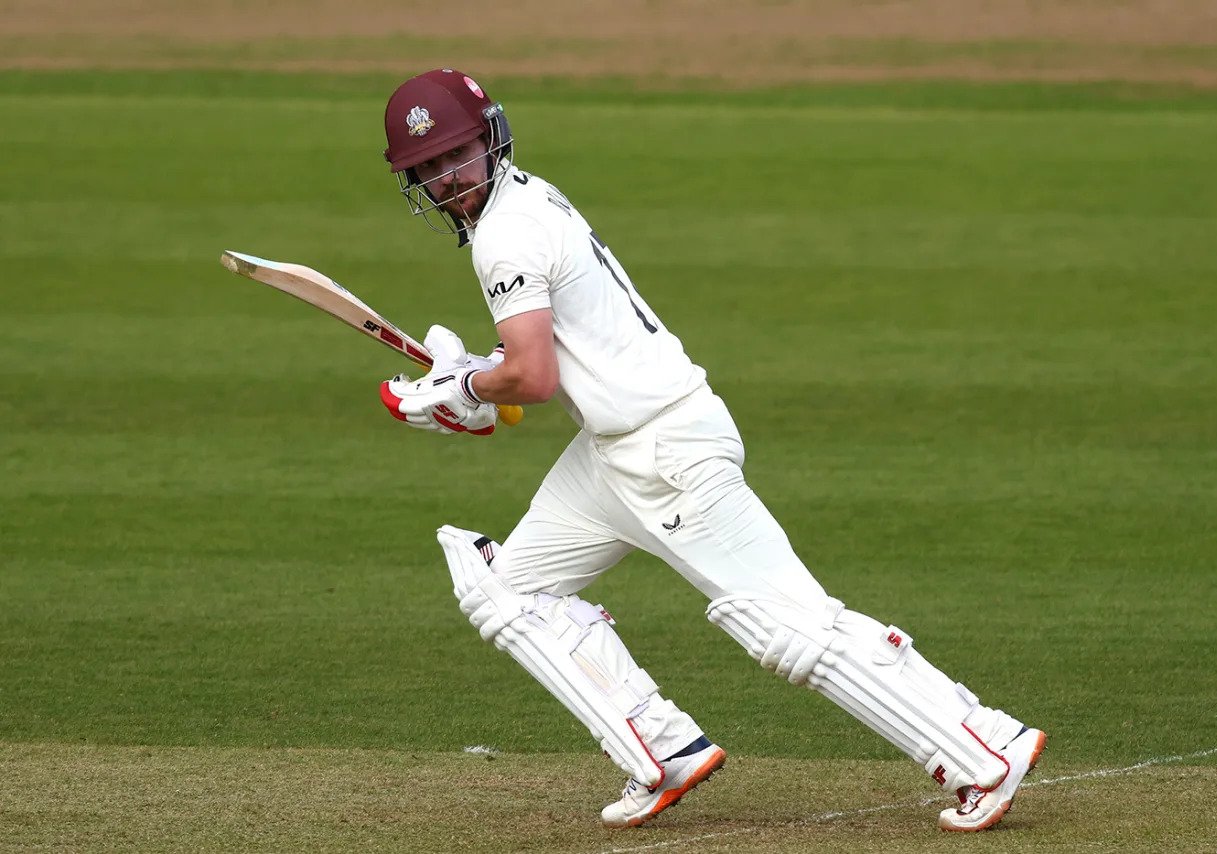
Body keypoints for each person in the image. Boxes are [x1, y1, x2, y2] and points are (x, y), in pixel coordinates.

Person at [376, 68, 1045, 832]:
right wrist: (470, 377)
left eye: (454, 155)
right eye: (425, 169)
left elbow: (531, 373)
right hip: (613, 455)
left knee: (787, 625)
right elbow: (534, 358)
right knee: (509, 590)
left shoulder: (503, 235)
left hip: (666, 452)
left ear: (489, 139)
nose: (443, 178)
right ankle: (662, 752)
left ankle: (984, 748)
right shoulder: (527, 195)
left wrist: (465, 394)